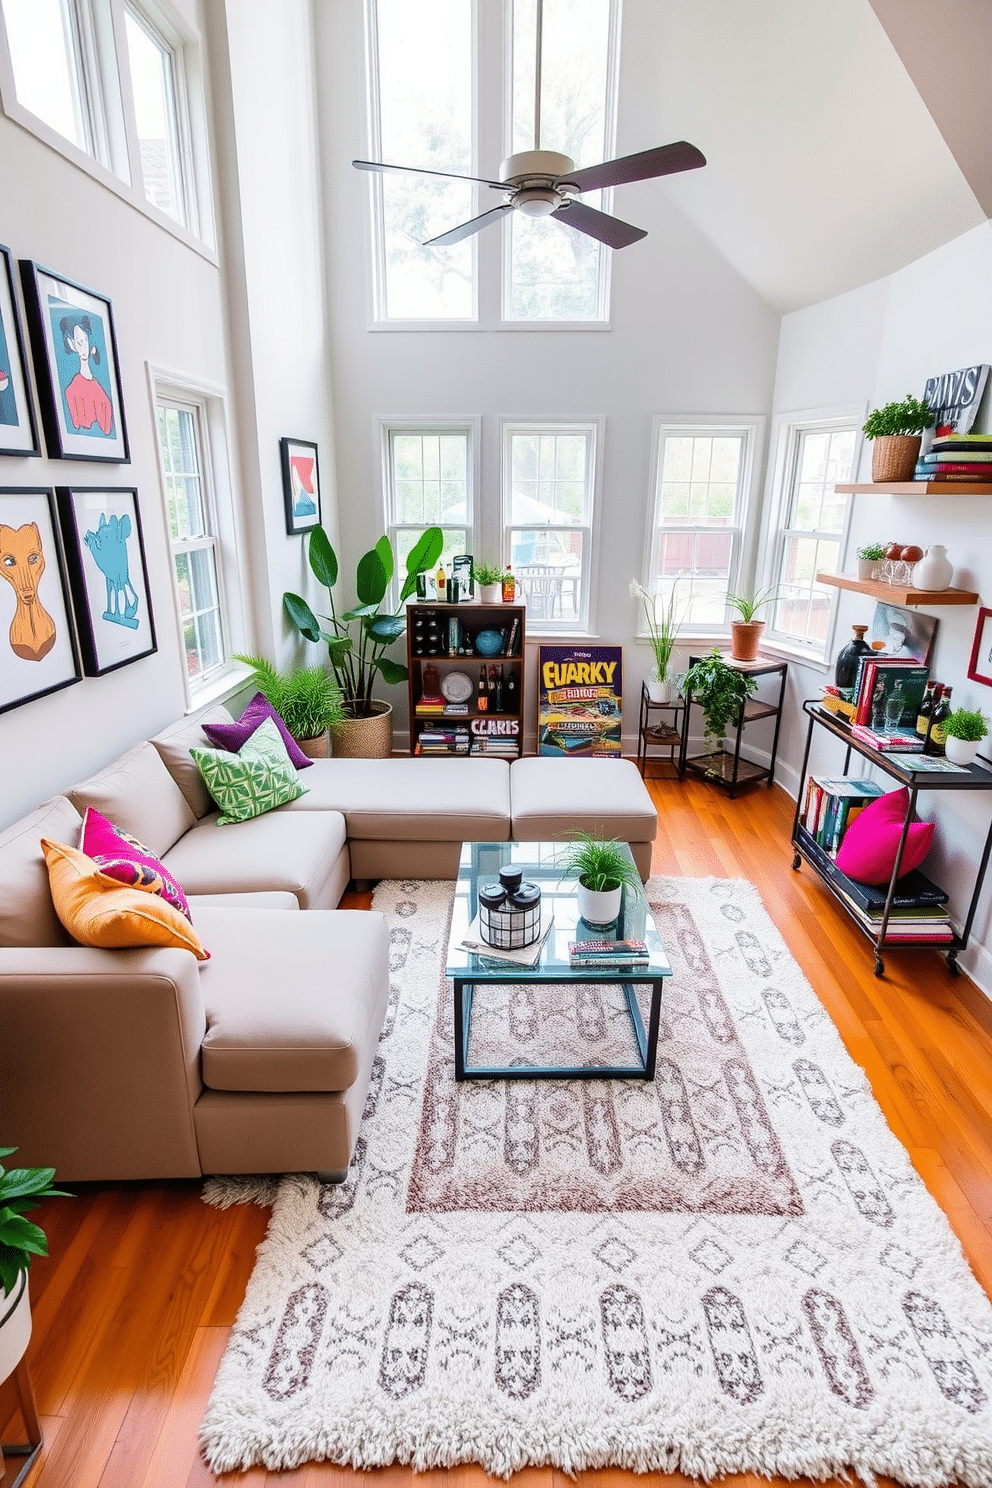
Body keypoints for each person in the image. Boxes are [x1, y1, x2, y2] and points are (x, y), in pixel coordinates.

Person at [59, 314, 114, 436]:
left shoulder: (99, 389)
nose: (83, 347)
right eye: (78, 343)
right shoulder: (72, 391)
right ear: (72, 345)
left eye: (84, 341)